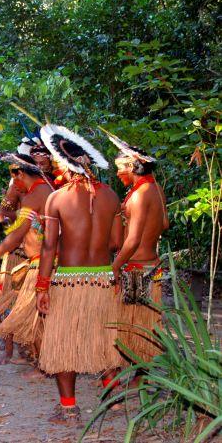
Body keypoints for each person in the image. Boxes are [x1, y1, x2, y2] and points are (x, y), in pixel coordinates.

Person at [35, 124, 123, 425]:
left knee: (63, 342)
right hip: (101, 279)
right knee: (104, 337)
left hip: (69, 281)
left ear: (66, 164)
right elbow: (115, 244)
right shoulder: (111, 196)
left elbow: (48, 248)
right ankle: (114, 400)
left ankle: (69, 408)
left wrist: (42, 287)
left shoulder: (57, 199)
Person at [0, 152, 52, 367]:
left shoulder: (38, 193)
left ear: (21, 174)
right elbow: (3, 216)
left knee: (37, 314)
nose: (14, 184)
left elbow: (18, 233)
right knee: (29, 312)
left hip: (42, 262)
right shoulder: (41, 190)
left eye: (15, 177)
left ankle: (43, 363)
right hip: (36, 260)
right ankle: (36, 359)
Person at [106, 130, 168, 364]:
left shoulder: (140, 195)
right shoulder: (156, 189)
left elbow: (132, 241)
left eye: (120, 168)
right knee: (142, 325)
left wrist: (115, 266)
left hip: (137, 269)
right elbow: (164, 223)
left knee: (132, 324)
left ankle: (134, 376)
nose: (118, 173)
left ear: (132, 167)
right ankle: (139, 377)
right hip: (152, 266)